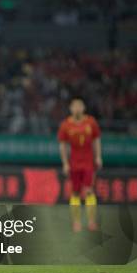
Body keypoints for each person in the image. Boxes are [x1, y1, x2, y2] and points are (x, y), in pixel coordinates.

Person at [58, 98, 102, 232]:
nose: (77, 108)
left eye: (79, 106)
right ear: (71, 109)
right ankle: (76, 222)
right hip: (74, 163)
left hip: (88, 162)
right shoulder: (66, 125)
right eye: (74, 106)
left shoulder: (91, 122)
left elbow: (96, 141)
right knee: (75, 193)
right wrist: (65, 163)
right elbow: (63, 146)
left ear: (83, 108)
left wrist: (98, 157)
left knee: (89, 190)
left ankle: (91, 222)